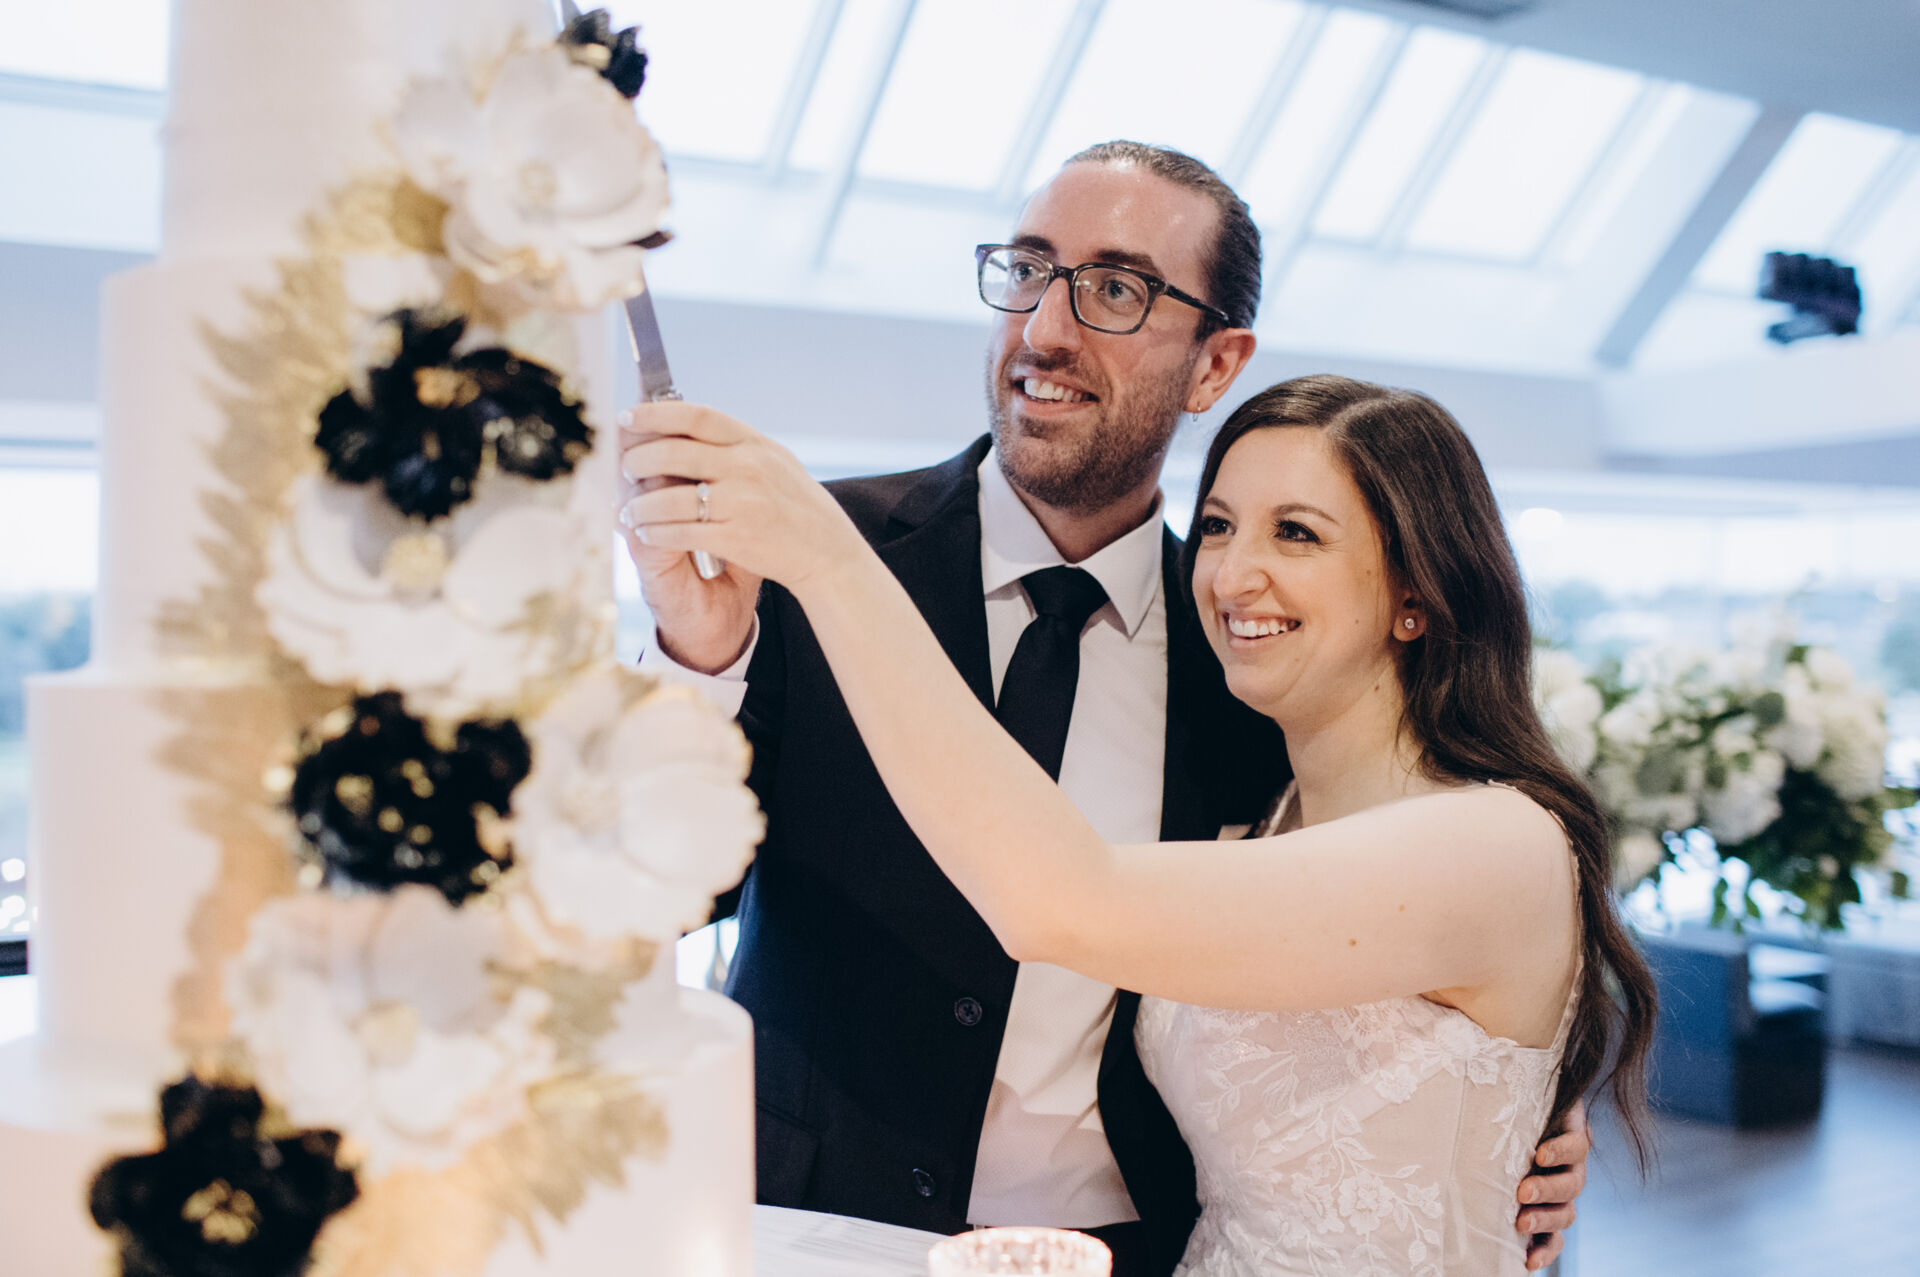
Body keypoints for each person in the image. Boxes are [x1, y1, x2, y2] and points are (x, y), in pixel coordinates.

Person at [620, 142, 1593, 1275]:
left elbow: (1397, 948)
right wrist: (699, 660)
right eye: (1029, 270)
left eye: (1116, 289)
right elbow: (648, 896)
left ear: (1215, 361)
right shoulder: (801, 563)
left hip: (1135, 1248)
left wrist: (1515, 1102)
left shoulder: (1258, 674)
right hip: (814, 1224)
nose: (1045, 327)